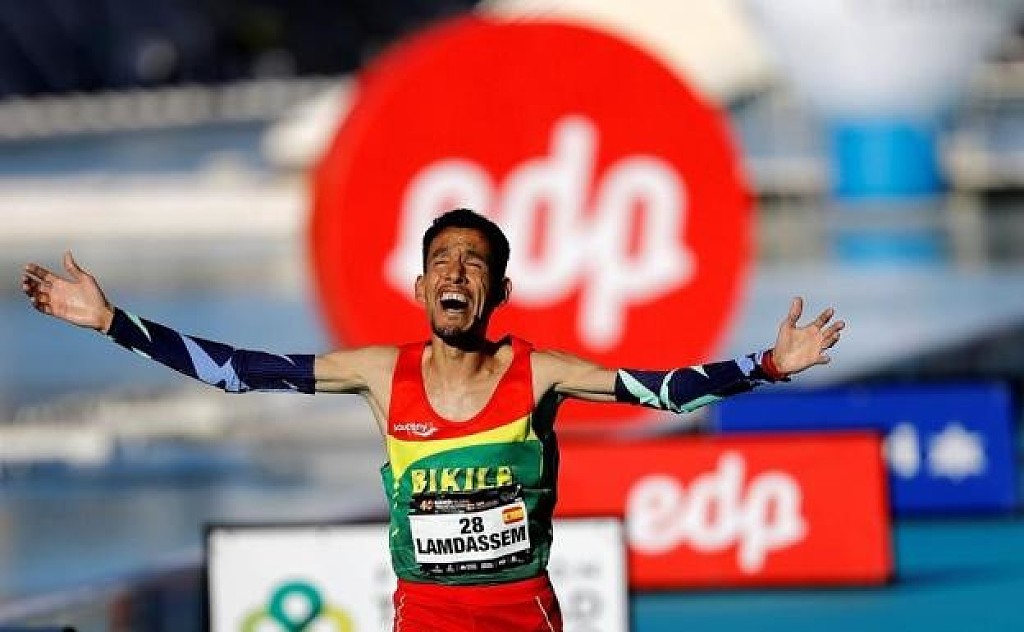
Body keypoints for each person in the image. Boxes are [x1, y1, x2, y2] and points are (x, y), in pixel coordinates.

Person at [22, 208, 844, 632]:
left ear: (498, 292)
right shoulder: (379, 374)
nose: (456, 272)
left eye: (473, 263)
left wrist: (769, 365)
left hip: (523, 613)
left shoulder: (541, 374)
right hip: (428, 617)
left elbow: (665, 391)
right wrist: (114, 323)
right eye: (441, 261)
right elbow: (236, 371)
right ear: (421, 289)